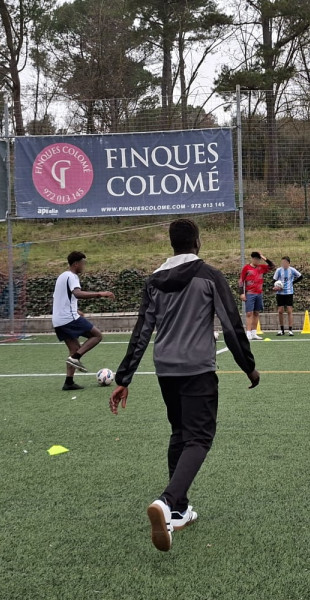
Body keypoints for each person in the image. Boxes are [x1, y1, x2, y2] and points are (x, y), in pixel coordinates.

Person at [109, 218, 260, 553]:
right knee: (199, 438)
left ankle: (178, 511)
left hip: (166, 370)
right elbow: (232, 325)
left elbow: (142, 332)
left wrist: (124, 378)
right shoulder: (210, 276)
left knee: (179, 433)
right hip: (197, 369)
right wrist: (248, 367)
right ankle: (166, 502)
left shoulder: (154, 281)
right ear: (198, 242)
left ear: (171, 244)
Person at [51, 251, 114, 391]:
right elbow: (77, 293)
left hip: (59, 320)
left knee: (73, 349)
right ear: (76, 264)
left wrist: (75, 310)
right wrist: (100, 294)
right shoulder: (72, 276)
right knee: (97, 335)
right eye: (83, 263)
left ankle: (69, 382)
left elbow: (58, 298)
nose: (84, 266)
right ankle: (76, 358)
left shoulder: (62, 276)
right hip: (68, 318)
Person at [239, 251, 274, 340]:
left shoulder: (261, 268)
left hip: (259, 293)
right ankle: (248, 332)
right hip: (250, 293)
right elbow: (241, 281)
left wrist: (263, 257)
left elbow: (272, 266)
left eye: (259, 259)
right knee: (249, 313)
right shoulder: (246, 268)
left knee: (256, 312)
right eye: (256, 259)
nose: (257, 261)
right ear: (252, 259)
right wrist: (242, 293)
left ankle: (254, 332)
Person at [273, 256, 303, 336]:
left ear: (288, 263)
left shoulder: (292, 270)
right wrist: (276, 286)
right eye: (282, 262)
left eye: (285, 263)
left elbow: (301, 276)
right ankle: (282, 330)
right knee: (280, 311)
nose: (283, 264)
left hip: (289, 293)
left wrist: (292, 283)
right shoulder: (278, 270)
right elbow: (274, 280)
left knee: (289, 311)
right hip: (280, 293)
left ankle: (290, 330)